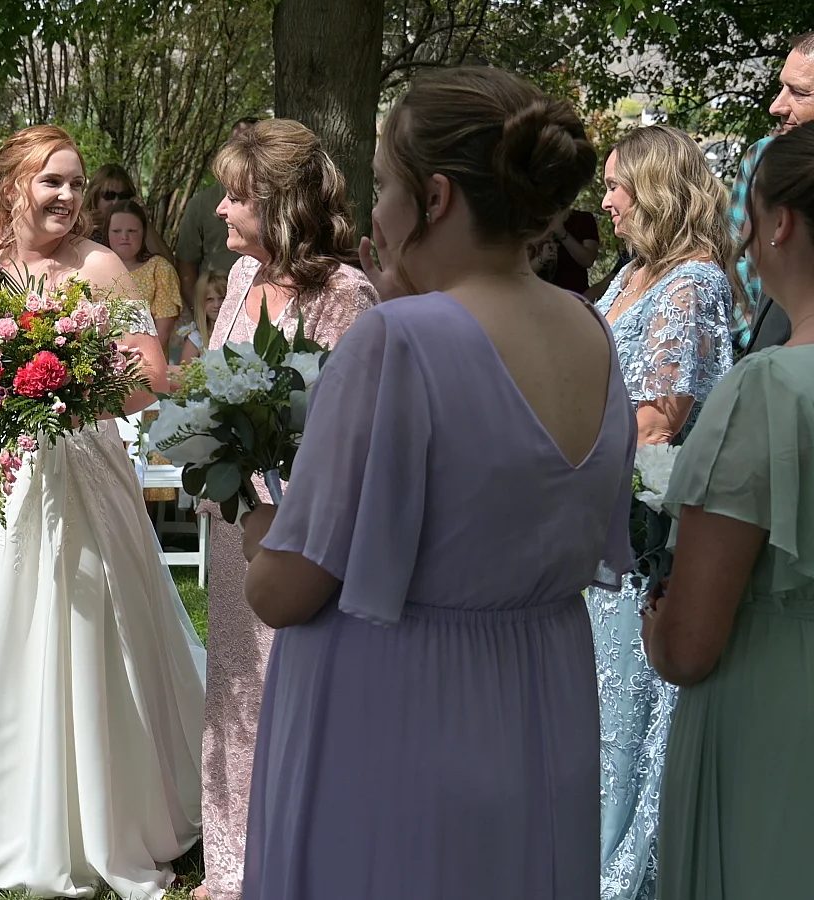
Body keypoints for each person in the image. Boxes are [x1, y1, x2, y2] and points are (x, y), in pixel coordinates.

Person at [238, 67, 625, 899]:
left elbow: (284, 591)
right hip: (538, 713)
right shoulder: (591, 331)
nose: (375, 212)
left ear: (436, 197)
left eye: (384, 184)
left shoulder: (396, 341)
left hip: (398, 724)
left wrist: (257, 527)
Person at [0, 124, 205, 900]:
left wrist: (65, 389)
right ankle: (12, 820)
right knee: (5, 626)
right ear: (13, 185)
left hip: (81, 468)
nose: (69, 196)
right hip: (6, 474)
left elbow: (148, 376)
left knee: (84, 629)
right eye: (53, 181)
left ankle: (106, 820)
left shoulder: (100, 266)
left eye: (76, 184)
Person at [192, 116, 376, 900]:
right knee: (235, 689)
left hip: (305, 529)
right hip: (235, 517)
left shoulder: (347, 295)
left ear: (282, 205)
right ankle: (231, 864)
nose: (221, 210)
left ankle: (298, 861)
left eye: (237, 197)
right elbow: (213, 382)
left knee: (293, 693)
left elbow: (352, 426)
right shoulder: (240, 279)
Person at [643, 122, 814, 900]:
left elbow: (689, 647)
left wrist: (656, 622)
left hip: (777, 717)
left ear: (781, 224)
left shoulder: (767, 390)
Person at [590, 124, 736, 900]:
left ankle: (620, 878)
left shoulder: (693, 283)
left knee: (625, 716)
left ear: (653, 190)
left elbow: (660, 422)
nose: (605, 201)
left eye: (616, 185)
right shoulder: (630, 274)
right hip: (601, 515)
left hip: (642, 527)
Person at [735, 31, 812, 355]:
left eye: (799, 92)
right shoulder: (761, 159)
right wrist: (754, 345)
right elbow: (737, 258)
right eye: (782, 87)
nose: (776, 106)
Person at [176, 117, 260, 307]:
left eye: (250, 145)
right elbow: (186, 265)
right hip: (218, 308)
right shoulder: (201, 203)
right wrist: (201, 314)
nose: (222, 210)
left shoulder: (281, 202)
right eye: (236, 145)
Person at [105, 198, 183, 350]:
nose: (124, 236)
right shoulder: (95, 267)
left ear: (144, 233)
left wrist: (141, 360)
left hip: (145, 359)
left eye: (132, 231)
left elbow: (164, 329)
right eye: (116, 231)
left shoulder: (160, 269)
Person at [85, 163, 173, 258]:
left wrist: (144, 220)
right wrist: (83, 231)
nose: (116, 202)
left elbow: (166, 262)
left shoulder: (135, 231)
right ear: (94, 197)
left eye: (124, 196)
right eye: (109, 195)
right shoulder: (82, 228)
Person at [175, 269, 226, 362]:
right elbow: (183, 370)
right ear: (201, 303)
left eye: (222, 298)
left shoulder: (241, 332)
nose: (217, 305)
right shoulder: (196, 339)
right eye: (210, 299)